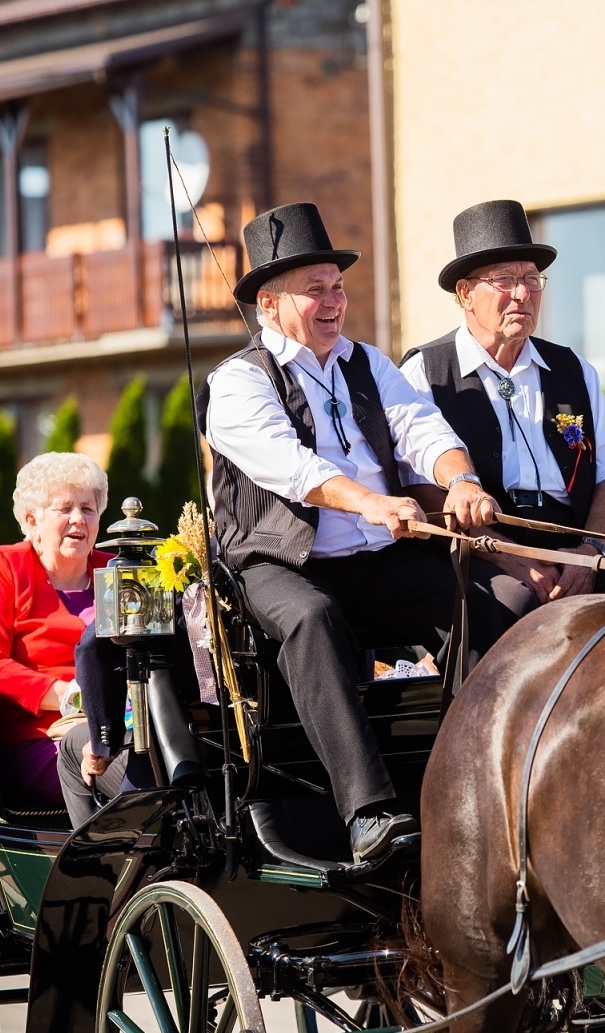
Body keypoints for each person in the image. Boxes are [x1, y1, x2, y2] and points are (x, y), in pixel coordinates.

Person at [174, 201, 502, 862]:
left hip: (373, 561)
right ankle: (369, 812)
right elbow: (295, 470)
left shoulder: (369, 366)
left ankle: (484, 779)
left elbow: (424, 431)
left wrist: (460, 479)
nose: (333, 301)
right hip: (277, 564)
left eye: (338, 286)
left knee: (477, 603)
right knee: (313, 618)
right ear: (269, 304)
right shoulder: (237, 383)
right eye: (314, 289)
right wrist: (370, 501)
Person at [401, 199, 605, 621]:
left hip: (578, 541)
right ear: (465, 293)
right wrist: (506, 556)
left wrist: (591, 551)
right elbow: (420, 490)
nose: (523, 293)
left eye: (532, 279)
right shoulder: (426, 372)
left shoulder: (573, 368)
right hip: (487, 548)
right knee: (515, 610)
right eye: (505, 280)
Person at [0, 452, 112, 810]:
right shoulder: (3, 566)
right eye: (64, 509)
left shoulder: (115, 571)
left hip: (122, 724)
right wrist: (67, 695)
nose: (78, 520)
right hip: (39, 740)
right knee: (140, 772)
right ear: (32, 520)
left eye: (88, 509)